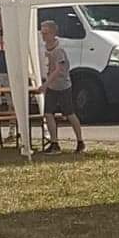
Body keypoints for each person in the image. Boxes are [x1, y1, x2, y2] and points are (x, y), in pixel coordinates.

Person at [40, 18, 86, 155]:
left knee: (69, 113)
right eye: (42, 33)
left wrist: (45, 84)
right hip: (52, 87)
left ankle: (80, 141)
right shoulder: (44, 48)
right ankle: (54, 143)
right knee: (48, 113)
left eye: (46, 33)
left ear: (53, 33)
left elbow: (58, 70)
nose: (43, 36)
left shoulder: (58, 49)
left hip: (63, 86)